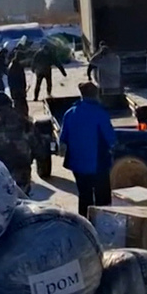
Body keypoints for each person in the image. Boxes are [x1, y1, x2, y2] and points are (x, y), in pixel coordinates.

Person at [59, 82, 117, 217]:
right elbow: (111, 138)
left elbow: (63, 139)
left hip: (78, 164)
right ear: (96, 94)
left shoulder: (70, 113)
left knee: (84, 196)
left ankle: (85, 222)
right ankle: (102, 225)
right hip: (98, 163)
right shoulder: (99, 112)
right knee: (102, 198)